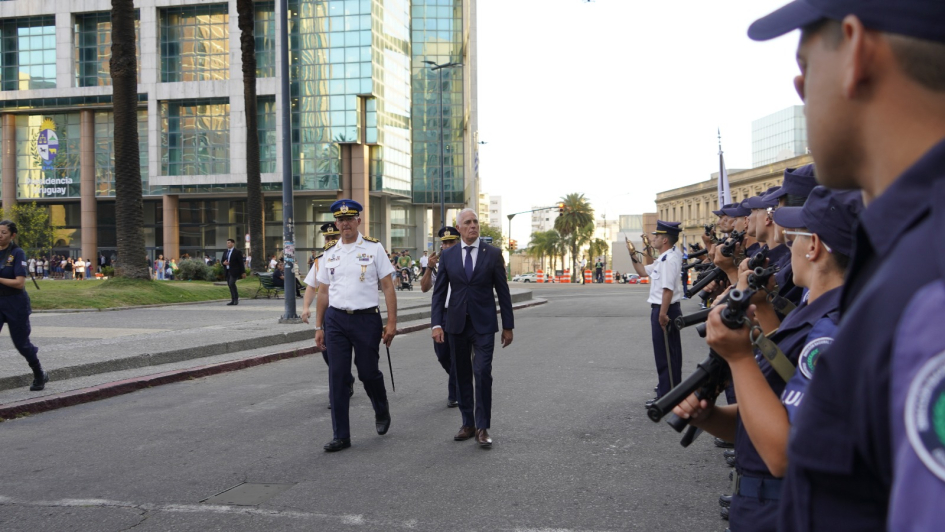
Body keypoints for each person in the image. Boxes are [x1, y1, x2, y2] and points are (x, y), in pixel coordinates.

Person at [748, 2, 945, 528]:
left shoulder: (928, 283)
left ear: (856, 50)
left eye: (807, 65)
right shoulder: (905, 253)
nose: (798, 87)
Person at [674, 187, 862, 532]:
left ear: (814, 247)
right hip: (766, 503)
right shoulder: (814, 316)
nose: (788, 246)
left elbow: (784, 454)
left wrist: (739, 357)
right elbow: (769, 415)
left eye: (795, 238)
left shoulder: (828, 331)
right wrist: (710, 416)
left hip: (780, 509)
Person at [313, 199, 398, 452]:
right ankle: (341, 435)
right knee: (337, 376)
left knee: (368, 372)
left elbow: (387, 286)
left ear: (358, 221)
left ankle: (381, 408)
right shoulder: (329, 253)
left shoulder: (374, 248)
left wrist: (392, 322)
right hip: (336, 320)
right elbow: (323, 292)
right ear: (336, 223)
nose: (345, 223)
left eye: (349, 219)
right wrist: (319, 326)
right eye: (340, 220)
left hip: (366, 319)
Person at [431, 209, 514, 447]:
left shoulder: (493, 254)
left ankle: (482, 427)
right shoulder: (448, 256)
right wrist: (437, 324)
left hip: (484, 325)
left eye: (475, 222)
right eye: (467, 223)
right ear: (459, 228)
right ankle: (467, 423)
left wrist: (508, 326)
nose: (473, 226)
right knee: (462, 374)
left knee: (482, 372)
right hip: (455, 325)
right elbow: (438, 294)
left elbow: (503, 292)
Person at [628, 221, 684, 407]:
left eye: (657, 236)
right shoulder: (666, 257)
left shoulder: (669, 260)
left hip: (664, 308)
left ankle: (666, 396)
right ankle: (672, 389)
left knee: (665, 353)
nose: (653, 239)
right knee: (670, 352)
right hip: (666, 308)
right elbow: (643, 272)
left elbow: (667, 289)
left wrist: (662, 314)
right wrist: (632, 255)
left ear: (665, 239)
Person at [302, 222, 355, 409]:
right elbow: (311, 286)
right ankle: (346, 380)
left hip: (352, 314)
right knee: (328, 354)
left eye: (333, 237)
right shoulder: (321, 259)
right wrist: (306, 307)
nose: (330, 241)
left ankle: (340, 390)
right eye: (327, 238)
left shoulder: (350, 255)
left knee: (342, 357)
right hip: (329, 315)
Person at [0, 221, 47, 391]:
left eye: (4, 232)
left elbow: (19, 283)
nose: (0, 235)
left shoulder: (17, 253)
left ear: (12, 235)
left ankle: (39, 373)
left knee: (21, 343)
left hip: (15, 303)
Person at [421, 226, 461, 408]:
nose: (447, 246)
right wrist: (429, 267)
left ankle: (455, 393)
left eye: (451, 242)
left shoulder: (463, 261)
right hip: (442, 315)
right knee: (442, 354)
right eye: (444, 243)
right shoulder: (438, 266)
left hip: (459, 314)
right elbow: (424, 287)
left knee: (457, 354)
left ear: (458, 242)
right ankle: (461, 379)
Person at [222, 238, 245, 305]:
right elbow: (222, 261)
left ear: (233, 243)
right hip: (227, 270)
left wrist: (243, 272)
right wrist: (224, 263)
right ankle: (233, 299)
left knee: (232, 283)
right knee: (229, 285)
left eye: (229, 243)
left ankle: (236, 299)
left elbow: (241, 263)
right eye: (227, 243)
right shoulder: (225, 252)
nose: (228, 244)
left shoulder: (237, 252)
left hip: (234, 271)